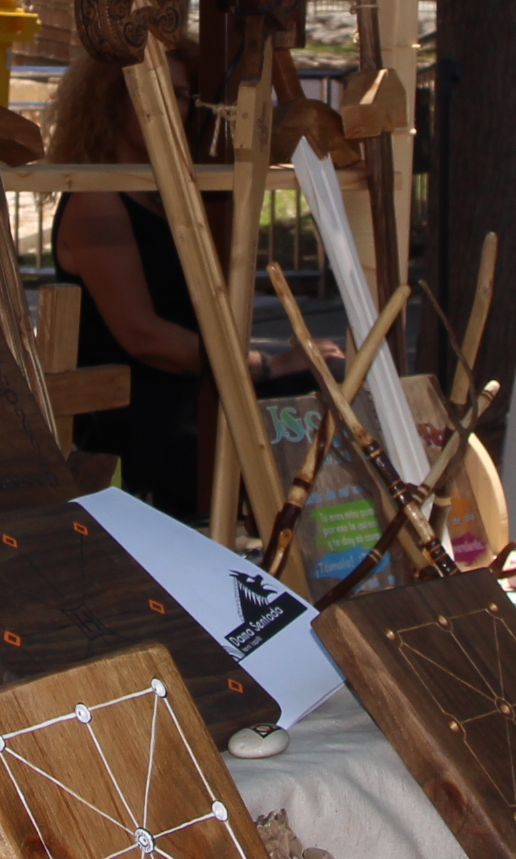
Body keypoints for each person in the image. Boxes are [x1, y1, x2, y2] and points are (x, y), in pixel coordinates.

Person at [43, 43, 330, 525]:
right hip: (137, 409)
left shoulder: (168, 196)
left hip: (191, 387)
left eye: (182, 96)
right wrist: (266, 364)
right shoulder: (96, 199)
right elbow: (145, 336)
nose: (172, 107)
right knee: (295, 401)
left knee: (325, 386)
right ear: (112, 98)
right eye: (156, 92)